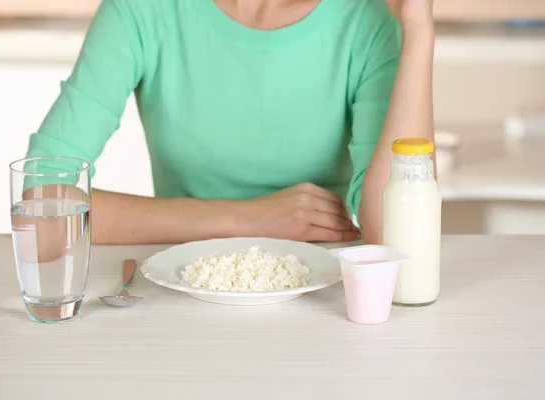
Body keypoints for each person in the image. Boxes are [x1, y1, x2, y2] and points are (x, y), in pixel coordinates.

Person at [24, 0, 435, 245]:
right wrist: (245, 219)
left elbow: (395, 235)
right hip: (177, 294)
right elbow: (40, 210)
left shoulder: (367, 21)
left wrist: (417, 29)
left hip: (324, 304)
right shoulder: (143, 9)